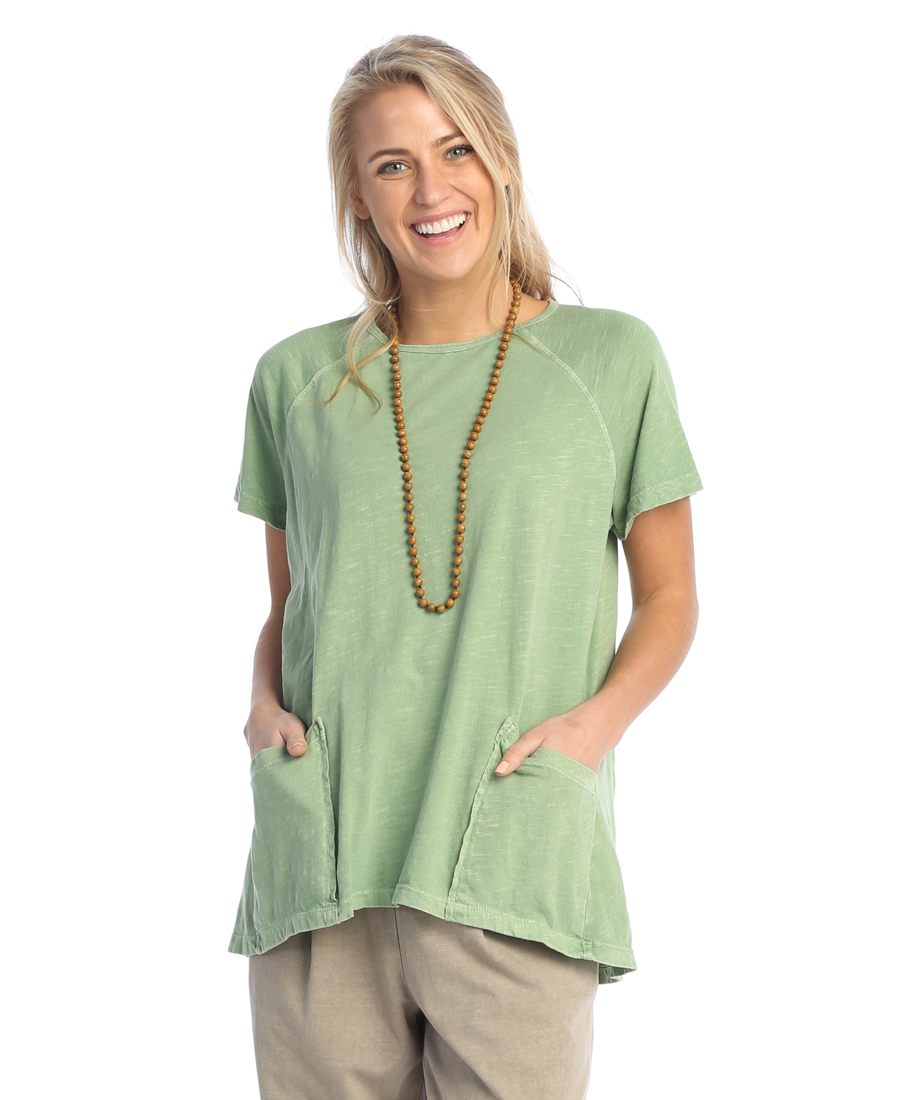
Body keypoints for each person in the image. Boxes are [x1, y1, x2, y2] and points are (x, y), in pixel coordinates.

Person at [229, 34, 702, 1100]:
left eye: (456, 150)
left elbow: (670, 597)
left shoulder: (611, 360)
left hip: (511, 859)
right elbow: (293, 602)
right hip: (323, 868)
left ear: (503, 161)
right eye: (392, 164)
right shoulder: (296, 380)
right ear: (358, 196)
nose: (432, 190)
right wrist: (260, 709)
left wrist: (589, 732)